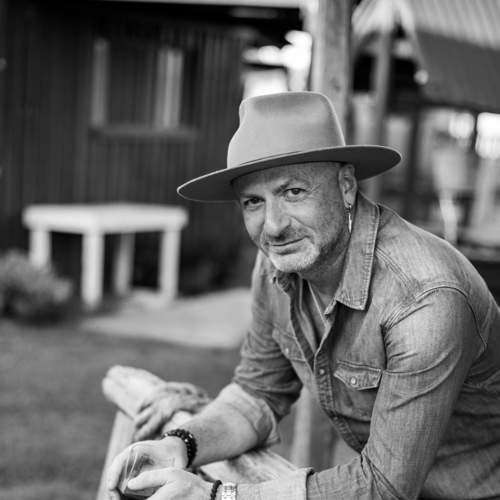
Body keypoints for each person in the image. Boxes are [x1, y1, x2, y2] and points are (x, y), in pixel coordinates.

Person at [107, 92, 500, 500]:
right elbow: (258, 392)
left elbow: (384, 486)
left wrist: (219, 496)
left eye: (293, 192)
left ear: (346, 186)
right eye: (253, 202)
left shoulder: (424, 299)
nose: (273, 226)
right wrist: (180, 444)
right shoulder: (276, 266)